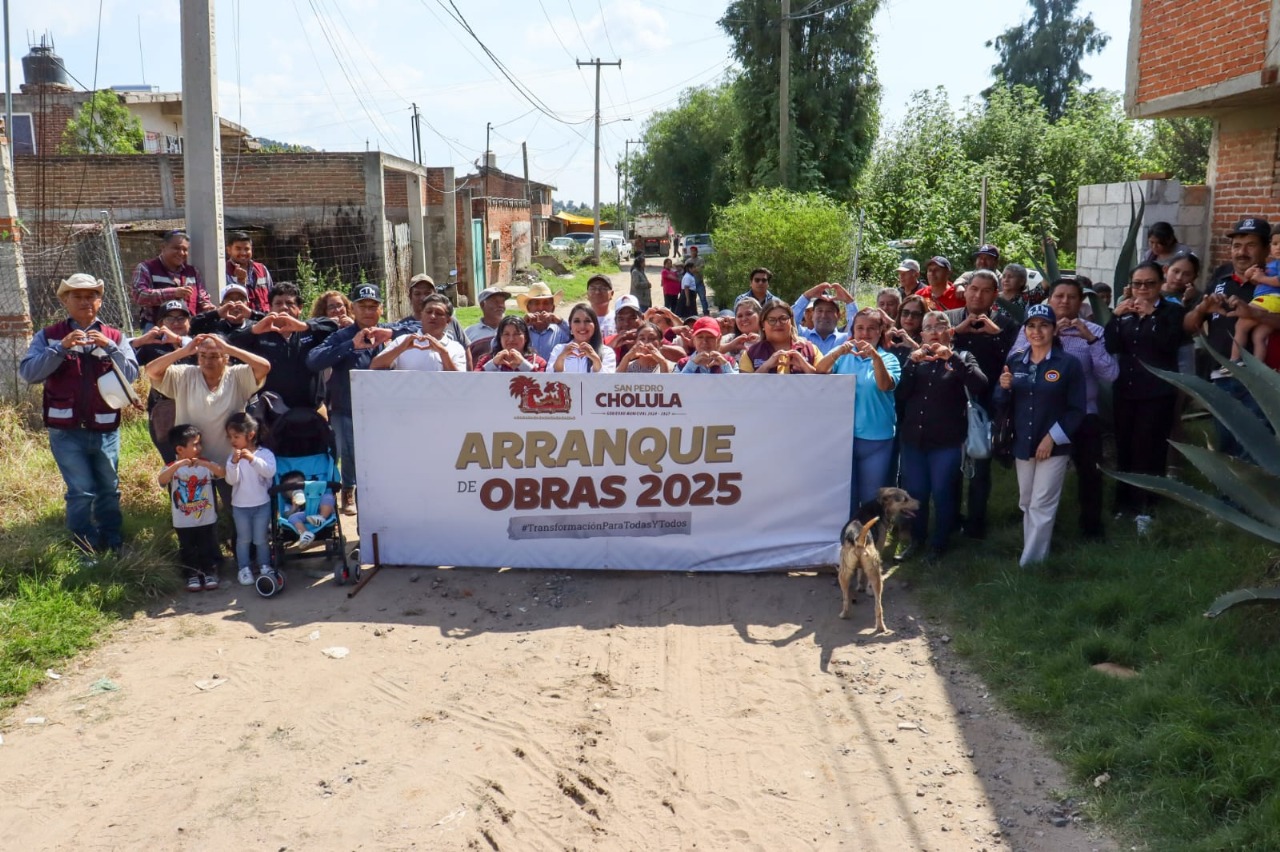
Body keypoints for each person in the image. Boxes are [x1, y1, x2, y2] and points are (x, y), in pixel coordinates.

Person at [19, 273, 140, 553]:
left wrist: (110, 348)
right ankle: (85, 546)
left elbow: (132, 375)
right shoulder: (49, 336)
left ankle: (112, 541)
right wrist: (60, 348)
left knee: (109, 488)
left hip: (105, 427)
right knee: (81, 491)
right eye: (78, 296)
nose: (85, 301)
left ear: (100, 301)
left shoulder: (114, 336)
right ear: (65, 300)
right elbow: (29, 373)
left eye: (91, 296)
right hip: (66, 430)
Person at [1012, 279, 1118, 539]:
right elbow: (1014, 362)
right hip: (1041, 415)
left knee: (1089, 470)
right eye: (1059, 296)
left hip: (1083, 413)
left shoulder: (1094, 331)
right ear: (1049, 299)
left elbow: (1110, 374)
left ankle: (1091, 527)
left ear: (1081, 302)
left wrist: (1091, 340)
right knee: (1038, 476)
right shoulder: (1033, 329)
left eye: (1072, 297)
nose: (1065, 301)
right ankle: (1040, 525)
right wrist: (1049, 335)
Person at [145, 333, 272, 543]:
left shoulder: (238, 375)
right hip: (194, 464)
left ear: (226, 358)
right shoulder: (184, 375)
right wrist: (183, 351)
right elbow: (151, 371)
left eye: (214, 356)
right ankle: (208, 557)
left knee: (238, 513)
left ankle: (245, 553)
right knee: (198, 516)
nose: (207, 361)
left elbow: (264, 367)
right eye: (202, 355)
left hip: (230, 462)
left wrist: (229, 348)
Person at [994, 304, 1086, 567]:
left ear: (1054, 329)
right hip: (1022, 442)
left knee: (1042, 504)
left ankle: (1030, 564)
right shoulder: (1015, 361)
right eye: (1031, 326)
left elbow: (1077, 409)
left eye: (1044, 325)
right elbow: (1001, 404)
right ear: (1025, 330)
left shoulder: (1068, 364)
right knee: (1027, 501)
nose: (1037, 331)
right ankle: (1033, 553)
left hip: (1053, 446)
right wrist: (1003, 388)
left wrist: (1052, 438)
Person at [896, 311, 987, 558]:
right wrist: (910, 364)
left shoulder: (962, 357)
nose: (934, 331)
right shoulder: (916, 359)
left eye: (940, 326)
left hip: (947, 441)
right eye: (928, 327)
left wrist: (953, 359)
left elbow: (980, 385)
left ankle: (940, 543)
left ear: (950, 331)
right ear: (922, 335)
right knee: (916, 492)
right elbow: (901, 395)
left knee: (942, 491)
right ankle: (917, 540)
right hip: (914, 440)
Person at [1105, 262, 1187, 534]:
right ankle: (1123, 503)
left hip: (1156, 392)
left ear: (1161, 284)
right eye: (1137, 284)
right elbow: (1112, 345)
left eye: (1149, 283)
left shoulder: (1172, 311)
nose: (1143, 289)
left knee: (1149, 448)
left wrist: (1152, 315)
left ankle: (1147, 506)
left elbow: (1169, 343)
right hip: (1126, 389)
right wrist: (1114, 317)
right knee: (1125, 446)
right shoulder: (1125, 311)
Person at [1182, 217, 1271, 457]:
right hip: (1221, 376)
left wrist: (1254, 313)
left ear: (1266, 249)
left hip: (1261, 381)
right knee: (1227, 447)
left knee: (1255, 450)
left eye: (1250, 245)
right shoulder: (1221, 277)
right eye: (1236, 246)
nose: (1241, 252)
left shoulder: (1273, 282)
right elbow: (1189, 327)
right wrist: (1201, 309)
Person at [305, 283, 396, 513]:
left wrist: (392, 334)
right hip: (347, 406)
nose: (368, 311)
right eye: (362, 306)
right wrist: (350, 345)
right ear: (352, 309)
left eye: (373, 306)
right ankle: (348, 490)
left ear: (381, 309)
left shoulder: (388, 332)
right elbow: (313, 360)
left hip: (383, 408)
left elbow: (415, 326)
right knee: (348, 450)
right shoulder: (342, 335)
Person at [945, 270, 1017, 539]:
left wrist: (996, 334)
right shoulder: (950, 318)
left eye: (986, 291)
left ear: (995, 295)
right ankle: (950, 520)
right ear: (965, 290)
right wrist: (956, 332)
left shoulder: (1006, 324)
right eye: (973, 289)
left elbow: (1015, 360)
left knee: (980, 465)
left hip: (986, 404)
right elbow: (933, 345)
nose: (978, 295)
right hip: (949, 402)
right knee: (950, 466)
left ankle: (976, 524)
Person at [818, 308, 901, 508]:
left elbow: (885, 385)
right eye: (860, 328)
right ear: (853, 331)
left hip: (876, 440)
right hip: (843, 438)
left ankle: (871, 528)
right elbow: (819, 370)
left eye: (871, 328)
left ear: (880, 331)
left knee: (871, 499)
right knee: (846, 498)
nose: (865, 333)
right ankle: (850, 529)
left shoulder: (889, 359)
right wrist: (838, 352)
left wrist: (875, 358)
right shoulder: (843, 356)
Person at [228, 282, 337, 409]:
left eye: (290, 303)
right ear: (270, 307)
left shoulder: (310, 330)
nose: (284, 307)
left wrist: (304, 326)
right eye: (278, 303)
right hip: (271, 413)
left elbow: (333, 326)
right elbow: (229, 343)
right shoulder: (259, 333)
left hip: (311, 411)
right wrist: (254, 330)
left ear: (300, 308)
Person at [158, 424, 225, 591]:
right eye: (195, 444)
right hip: (183, 521)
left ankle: (209, 572)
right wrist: (177, 466)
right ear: (180, 449)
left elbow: (222, 473)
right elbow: (162, 480)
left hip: (206, 518)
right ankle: (192, 575)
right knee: (187, 549)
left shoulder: (205, 464)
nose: (199, 448)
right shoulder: (172, 467)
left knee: (206, 546)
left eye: (199, 443)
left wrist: (207, 465)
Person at [131, 300, 195, 463]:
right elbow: (124, 363)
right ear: (160, 324)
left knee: (199, 463)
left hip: (197, 408)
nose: (176, 323)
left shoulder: (196, 343)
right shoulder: (152, 345)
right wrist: (138, 342)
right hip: (166, 411)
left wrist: (179, 341)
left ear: (189, 322)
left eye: (181, 318)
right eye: (170, 318)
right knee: (173, 463)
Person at [223, 411, 277, 587]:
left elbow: (270, 472)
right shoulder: (232, 457)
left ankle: (264, 565)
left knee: (261, 539)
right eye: (230, 437)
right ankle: (243, 568)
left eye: (236, 436)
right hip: (240, 506)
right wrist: (233, 464)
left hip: (262, 504)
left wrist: (253, 459)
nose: (232, 441)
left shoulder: (264, 454)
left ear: (251, 434)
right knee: (243, 539)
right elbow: (231, 480)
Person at [131, 230, 214, 328]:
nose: (181, 253)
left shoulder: (192, 272)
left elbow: (202, 296)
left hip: (188, 326)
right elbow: (139, 295)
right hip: (156, 326)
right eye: (176, 248)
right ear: (163, 247)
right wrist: (173, 293)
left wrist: (206, 305)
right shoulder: (146, 268)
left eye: (185, 249)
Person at [1225, 224, 1280, 368]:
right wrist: (1251, 274)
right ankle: (1257, 367)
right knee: (1259, 336)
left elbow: (1276, 281)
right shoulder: (1273, 264)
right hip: (1270, 299)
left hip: (1269, 299)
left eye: (1251, 245)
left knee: (1241, 325)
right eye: (1275, 243)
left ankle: (1234, 360)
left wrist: (1262, 278)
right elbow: (1260, 281)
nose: (1278, 247)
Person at [372, 294, 467, 371]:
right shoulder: (403, 341)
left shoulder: (456, 348)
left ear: (448, 321)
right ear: (421, 315)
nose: (432, 316)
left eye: (439, 313)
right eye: (428, 312)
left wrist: (443, 353)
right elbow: (374, 366)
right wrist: (400, 348)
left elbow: (459, 382)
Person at [741, 299, 818, 374]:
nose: (778, 324)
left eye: (783, 319)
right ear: (762, 324)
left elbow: (822, 380)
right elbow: (744, 382)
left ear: (791, 321)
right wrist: (766, 367)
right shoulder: (750, 353)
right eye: (772, 320)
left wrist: (805, 365)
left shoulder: (811, 349)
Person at [549, 304, 617, 373]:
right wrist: (561, 358)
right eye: (577, 321)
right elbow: (549, 377)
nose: (582, 326)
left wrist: (595, 359)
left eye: (587, 321)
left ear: (595, 325)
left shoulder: (606, 352)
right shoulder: (559, 350)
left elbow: (607, 379)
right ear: (570, 325)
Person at [277, 470, 337, 548]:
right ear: (285, 494)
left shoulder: (313, 494)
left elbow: (325, 500)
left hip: (318, 511)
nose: (295, 490)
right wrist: (294, 508)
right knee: (292, 517)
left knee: (328, 497)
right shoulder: (288, 504)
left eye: (299, 487)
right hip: (303, 517)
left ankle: (322, 518)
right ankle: (305, 534)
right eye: (291, 488)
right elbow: (286, 516)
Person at [474, 316, 547, 372]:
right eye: (506, 334)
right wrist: (492, 364)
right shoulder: (486, 361)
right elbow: (473, 382)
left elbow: (543, 384)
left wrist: (524, 365)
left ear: (526, 338)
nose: (511, 339)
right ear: (500, 338)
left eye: (516, 334)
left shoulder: (538, 362)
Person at [518, 281, 569, 362]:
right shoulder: (521, 331)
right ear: (528, 308)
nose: (541, 308)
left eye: (546, 303)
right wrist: (521, 324)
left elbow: (577, 333)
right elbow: (502, 341)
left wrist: (560, 321)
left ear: (552, 308)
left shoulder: (561, 331)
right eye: (536, 303)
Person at [225, 231, 273, 313]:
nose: (243, 253)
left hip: (264, 316)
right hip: (240, 318)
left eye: (247, 249)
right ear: (229, 250)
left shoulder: (261, 269)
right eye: (238, 249)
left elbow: (272, 294)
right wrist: (240, 282)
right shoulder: (224, 272)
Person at [190, 282, 260, 337]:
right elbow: (191, 326)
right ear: (222, 304)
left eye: (241, 299)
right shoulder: (214, 327)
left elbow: (267, 320)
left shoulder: (256, 326)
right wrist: (216, 314)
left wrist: (252, 314)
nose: (236, 303)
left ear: (247, 304)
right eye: (231, 299)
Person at [605, 295, 645, 361]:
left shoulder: (652, 340)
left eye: (632, 318)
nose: (626, 323)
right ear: (615, 321)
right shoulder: (607, 342)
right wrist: (610, 349)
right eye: (621, 319)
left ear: (642, 319)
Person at [686, 244, 710, 315]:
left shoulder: (700, 260)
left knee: (703, 299)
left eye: (694, 251)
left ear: (697, 252)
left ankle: (705, 312)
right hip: (691, 284)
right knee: (692, 300)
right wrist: (695, 269)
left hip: (699, 282)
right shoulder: (688, 261)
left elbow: (701, 269)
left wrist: (693, 270)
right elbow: (687, 271)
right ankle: (693, 313)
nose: (693, 252)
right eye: (691, 251)